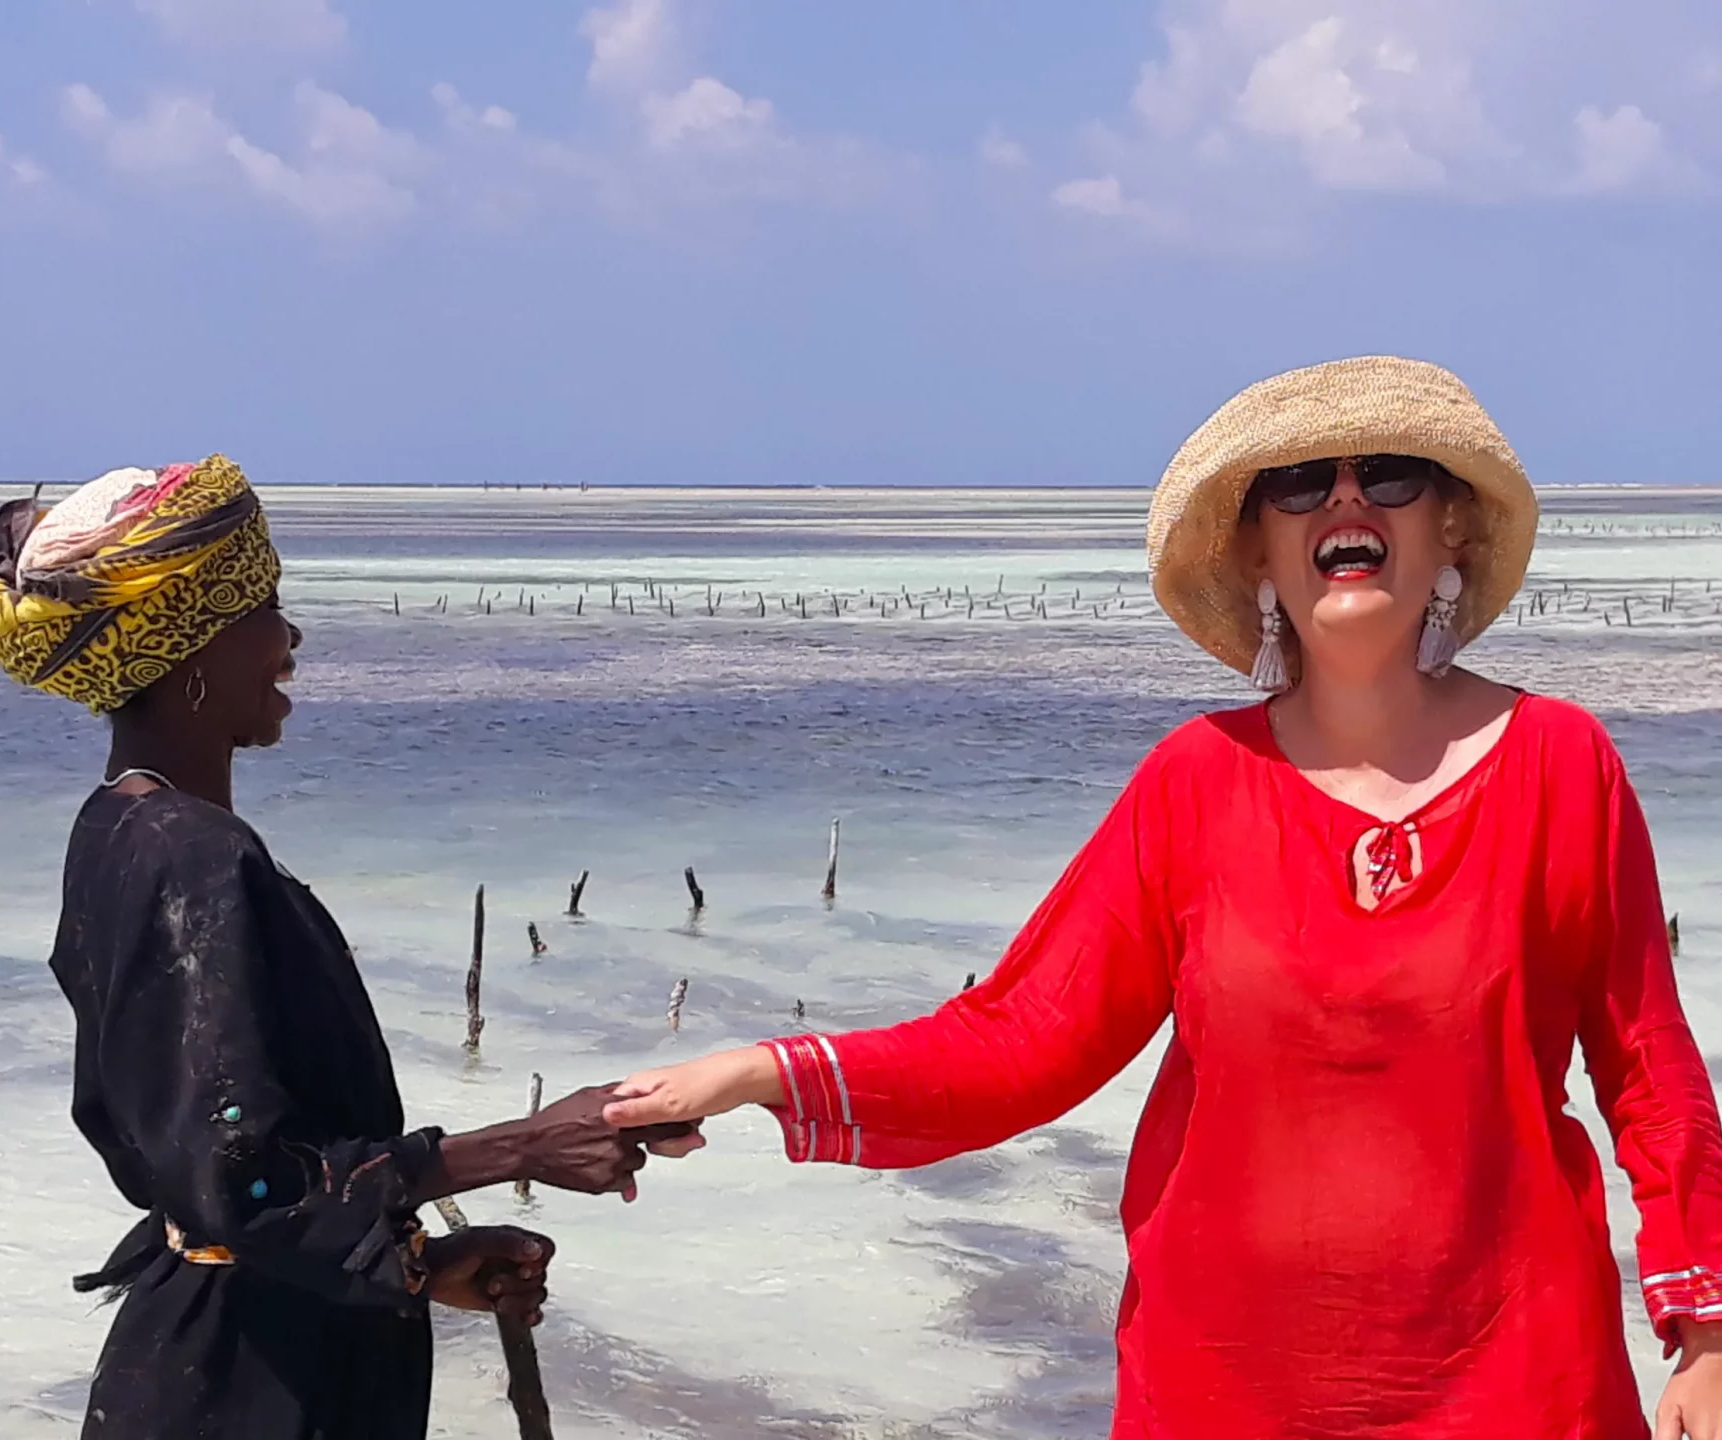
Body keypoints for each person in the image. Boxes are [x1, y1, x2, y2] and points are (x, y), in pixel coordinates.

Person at [602, 358, 1722, 1439]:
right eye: (1297, 484)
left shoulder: (1560, 765)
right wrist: (760, 1073)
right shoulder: (1193, 782)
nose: (1343, 499)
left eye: (1388, 472)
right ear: (1258, 553)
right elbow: (1023, 1041)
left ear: (1451, 534)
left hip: (1519, 1383)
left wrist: (1707, 1336)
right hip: (1223, 1393)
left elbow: (1649, 1070)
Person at [0, 456, 695, 1440]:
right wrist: (524, 1146)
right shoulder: (193, 853)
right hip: (246, 1392)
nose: (289, 638)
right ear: (191, 652)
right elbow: (242, 1179)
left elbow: (218, 1186)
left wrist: (418, 1269)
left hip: (233, 1346)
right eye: (263, 607)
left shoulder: (116, 826)